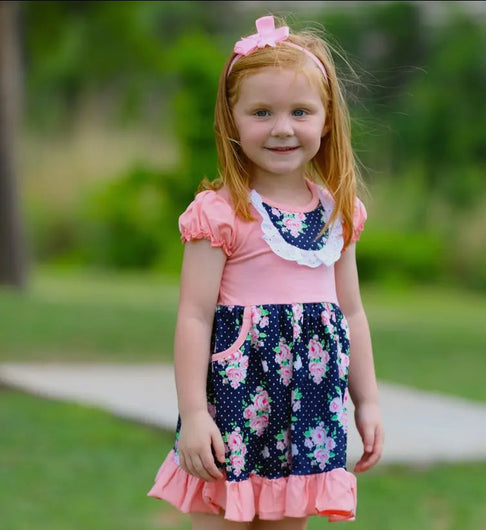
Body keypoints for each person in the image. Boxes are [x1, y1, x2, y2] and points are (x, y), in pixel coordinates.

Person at [147, 14, 384, 530]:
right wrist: (193, 415)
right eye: (261, 112)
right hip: (234, 408)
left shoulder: (339, 212)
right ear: (232, 120)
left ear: (326, 120)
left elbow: (352, 312)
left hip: (308, 412)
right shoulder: (222, 212)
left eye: (300, 111)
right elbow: (193, 316)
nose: (282, 128)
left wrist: (365, 401)